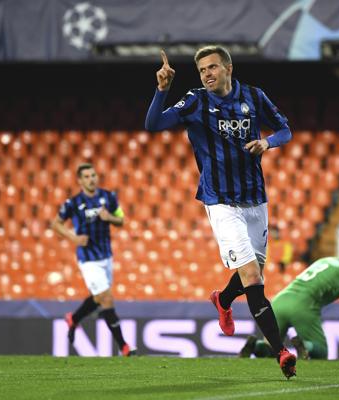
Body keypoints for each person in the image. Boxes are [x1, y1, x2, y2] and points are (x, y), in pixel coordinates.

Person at [145, 46, 297, 378]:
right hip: (221, 202)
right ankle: (281, 352)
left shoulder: (254, 97)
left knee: (251, 273)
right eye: (202, 70)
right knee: (255, 279)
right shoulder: (196, 101)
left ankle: (223, 300)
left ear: (229, 67)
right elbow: (153, 124)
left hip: (256, 200)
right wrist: (162, 90)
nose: (207, 74)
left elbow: (285, 130)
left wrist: (267, 143)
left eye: (213, 67)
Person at [239, 239, 339, 360]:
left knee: (272, 348)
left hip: (280, 301)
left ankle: (254, 345)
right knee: (321, 352)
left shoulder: (327, 260)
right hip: (303, 306)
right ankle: (306, 346)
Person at [52, 163, 136, 357]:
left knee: (99, 298)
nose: (91, 179)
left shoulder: (108, 197)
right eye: (87, 176)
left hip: (106, 255)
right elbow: (55, 224)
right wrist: (72, 237)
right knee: (106, 297)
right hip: (87, 258)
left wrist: (109, 218)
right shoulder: (72, 203)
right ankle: (123, 346)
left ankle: (74, 318)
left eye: (93, 175)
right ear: (80, 180)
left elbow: (121, 220)